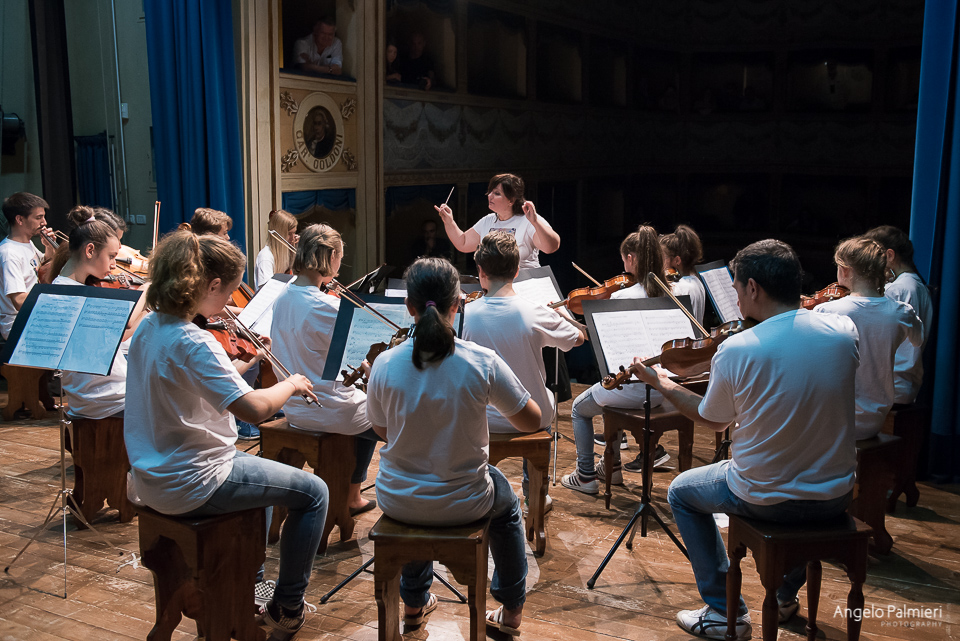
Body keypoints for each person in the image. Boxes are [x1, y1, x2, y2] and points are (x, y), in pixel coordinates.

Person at [630, 239, 860, 640]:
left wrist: (662, 383)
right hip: (836, 493)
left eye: (737, 288)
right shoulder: (843, 331)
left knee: (681, 492)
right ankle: (784, 594)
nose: (736, 299)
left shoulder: (737, 349)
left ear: (753, 287)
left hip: (764, 496)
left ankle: (725, 612)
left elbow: (713, 419)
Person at [124, 230, 326, 640]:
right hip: (193, 479)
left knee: (262, 477)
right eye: (230, 292)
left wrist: (249, 361)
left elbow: (204, 382)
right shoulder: (194, 340)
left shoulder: (150, 327)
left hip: (151, 476)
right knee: (315, 493)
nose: (230, 305)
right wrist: (292, 384)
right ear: (212, 285)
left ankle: (249, 583)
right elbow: (254, 408)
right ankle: (288, 607)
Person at [366, 257, 541, 635]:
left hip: (397, 498)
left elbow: (381, 430)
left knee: (417, 480)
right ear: (458, 304)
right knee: (507, 504)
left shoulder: (384, 363)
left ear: (409, 306)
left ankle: (414, 603)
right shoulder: (481, 361)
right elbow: (532, 420)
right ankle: (512, 609)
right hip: (465, 500)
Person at [463, 231, 584, 509]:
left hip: (480, 419)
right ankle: (533, 493)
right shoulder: (535, 311)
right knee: (546, 397)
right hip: (530, 418)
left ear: (481, 272)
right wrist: (562, 317)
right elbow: (578, 339)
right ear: (517, 271)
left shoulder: (465, 314)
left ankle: (481, 488)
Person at [270, 224, 380, 515]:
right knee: (392, 414)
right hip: (327, 409)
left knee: (364, 399)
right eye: (340, 256)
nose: (341, 262)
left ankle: (352, 496)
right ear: (331, 256)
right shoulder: (326, 306)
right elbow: (366, 348)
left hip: (293, 406)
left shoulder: (283, 295)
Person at [561, 225, 670, 494]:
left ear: (631, 259)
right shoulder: (669, 292)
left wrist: (568, 321)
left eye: (624, 260)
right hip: (663, 389)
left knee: (579, 409)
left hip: (633, 388)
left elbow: (602, 344)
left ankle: (585, 475)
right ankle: (612, 467)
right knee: (612, 386)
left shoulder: (622, 296)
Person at [814, 237, 922, 440]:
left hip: (836, 420)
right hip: (875, 420)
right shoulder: (902, 312)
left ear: (845, 271)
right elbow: (918, 340)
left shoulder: (827, 311)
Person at [52, 207, 151, 419]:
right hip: (108, 399)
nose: (115, 265)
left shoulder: (69, 286)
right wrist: (146, 290)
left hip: (102, 394)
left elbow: (116, 335)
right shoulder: (70, 293)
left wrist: (146, 310)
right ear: (90, 250)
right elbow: (124, 324)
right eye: (112, 256)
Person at [862, 225, 934, 405]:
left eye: (872, 256)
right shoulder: (917, 286)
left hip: (889, 387)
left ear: (889, 255)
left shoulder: (896, 290)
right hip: (905, 385)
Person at [436, 173, 560, 270]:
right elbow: (463, 243)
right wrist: (449, 222)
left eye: (496, 193)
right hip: (495, 285)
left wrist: (536, 222)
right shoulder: (488, 220)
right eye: (490, 191)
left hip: (525, 284)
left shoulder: (528, 220)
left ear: (511, 200)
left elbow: (551, 247)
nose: (490, 195)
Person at [0, 192, 55, 339]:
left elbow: (43, 270)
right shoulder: (9, 253)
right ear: (19, 219)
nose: (44, 222)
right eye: (38, 218)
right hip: (19, 323)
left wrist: (49, 247)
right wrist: (54, 300)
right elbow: (19, 300)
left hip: (35, 315)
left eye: (43, 217)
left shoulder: (27, 243)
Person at [660, 224, 707, 325]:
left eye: (663, 258)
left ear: (677, 260)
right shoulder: (696, 280)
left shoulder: (678, 289)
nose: (661, 263)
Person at [255, 210, 298, 290]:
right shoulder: (265, 257)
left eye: (294, 233)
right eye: (289, 234)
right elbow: (268, 290)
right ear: (279, 233)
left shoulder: (287, 253)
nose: (293, 238)